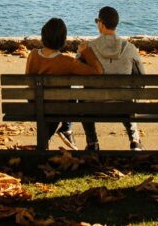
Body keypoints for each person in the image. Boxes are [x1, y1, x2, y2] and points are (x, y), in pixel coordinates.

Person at [24, 17, 102, 150]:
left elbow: (28, 79)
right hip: (58, 108)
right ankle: (64, 129)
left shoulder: (32, 55)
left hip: (35, 105)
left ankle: (46, 141)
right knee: (70, 97)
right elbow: (97, 71)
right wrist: (86, 51)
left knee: (50, 101)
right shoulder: (67, 62)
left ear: (43, 35)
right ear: (63, 40)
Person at [80, 5, 144, 151]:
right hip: (122, 105)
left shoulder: (87, 47)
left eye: (97, 21)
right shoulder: (130, 48)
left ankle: (92, 143)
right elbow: (141, 77)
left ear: (101, 24)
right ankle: (135, 141)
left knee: (82, 100)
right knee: (127, 98)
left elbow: (77, 71)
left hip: (92, 106)